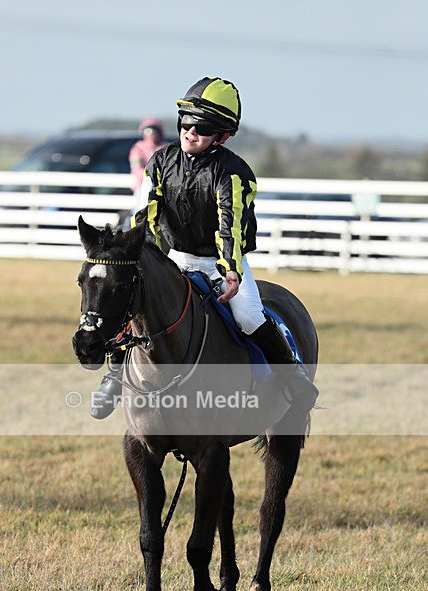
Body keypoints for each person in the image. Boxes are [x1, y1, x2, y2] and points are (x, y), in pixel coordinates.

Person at [91, 77, 318, 418]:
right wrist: (142, 260)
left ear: (223, 135)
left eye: (202, 126)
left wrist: (230, 270)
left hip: (220, 263)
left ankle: (293, 375)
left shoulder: (234, 173)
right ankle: (114, 376)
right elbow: (144, 216)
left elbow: (231, 225)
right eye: (186, 122)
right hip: (174, 260)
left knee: (249, 315)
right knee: (134, 306)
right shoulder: (159, 162)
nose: (190, 131)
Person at [128, 117, 167, 197]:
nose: (151, 135)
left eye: (154, 132)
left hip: (164, 187)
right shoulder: (138, 148)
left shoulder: (166, 148)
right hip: (143, 186)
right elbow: (136, 168)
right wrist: (152, 175)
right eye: (147, 131)